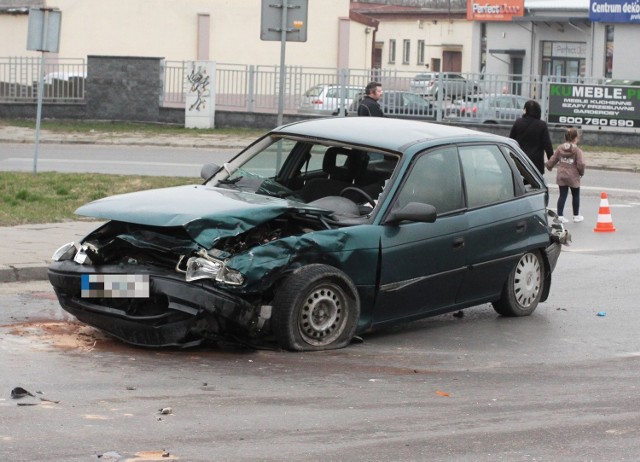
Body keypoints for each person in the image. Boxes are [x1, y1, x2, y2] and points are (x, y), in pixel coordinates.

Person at [545, 127, 586, 223]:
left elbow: (553, 159)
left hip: (562, 174)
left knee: (562, 195)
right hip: (573, 176)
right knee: (575, 195)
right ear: (576, 138)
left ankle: (560, 216)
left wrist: (549, 166)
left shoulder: (560, 148)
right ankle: (576, 216)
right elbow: (581, 164)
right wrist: (581, 172)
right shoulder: (577, 151)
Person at [509, 99, 553, 174]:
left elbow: (511, 141)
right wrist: (551, 161)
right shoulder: (542, 125)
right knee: (536, 184)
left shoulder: (518, 123)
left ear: (525, 110)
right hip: (536, 163)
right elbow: (547, 145)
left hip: (520, 159)